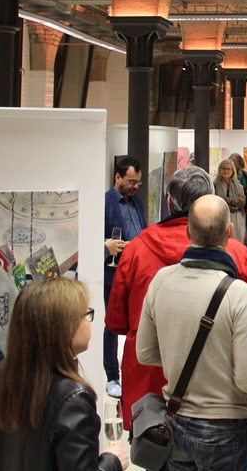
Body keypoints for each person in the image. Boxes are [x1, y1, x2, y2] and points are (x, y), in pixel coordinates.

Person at [105, 167, 247, 431]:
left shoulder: (136, 250)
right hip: (217, 393)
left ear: (169, 202)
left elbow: (115, 322)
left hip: (150, 392)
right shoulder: (237, 254)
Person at [138, 195, 247, 471]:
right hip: (226, 429)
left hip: (175, 422)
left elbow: (145, 353)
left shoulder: (161, 280)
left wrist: (178, 354)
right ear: (230, 233)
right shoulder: (240, 294)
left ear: (188, 232)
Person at [0, 276, 129, 471]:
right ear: (63, 327)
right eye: (84, 314)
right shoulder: (73, 398)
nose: (88, 321)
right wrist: (113, 461)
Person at [103, 155, 145, 399]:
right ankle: (111, 377)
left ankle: (133, 373)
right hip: (112, 272)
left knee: (137, 324)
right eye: (131, 181)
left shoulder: (137, 203)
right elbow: (92, 238)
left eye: (137, 182)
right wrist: (105, 246)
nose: (135, 186)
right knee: (112, 325)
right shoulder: (105, 203)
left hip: (136, 272)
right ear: (117, 177)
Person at [214, 159, 247, 244]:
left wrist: (226, 200)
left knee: (236, 244)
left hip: (237, 220)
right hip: (220, 218)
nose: (226, 171)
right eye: (223, 168)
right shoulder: (214, 185)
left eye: (228, 169)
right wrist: (234, 202)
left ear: (233, 171)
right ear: (219, 169)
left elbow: (242, 202)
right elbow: (216, 201)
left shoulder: (239, 186)